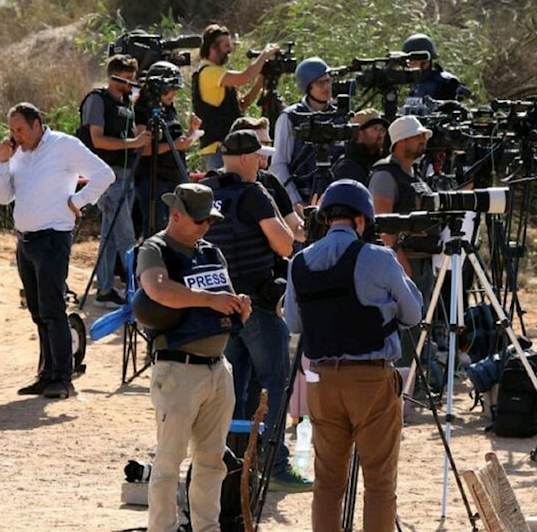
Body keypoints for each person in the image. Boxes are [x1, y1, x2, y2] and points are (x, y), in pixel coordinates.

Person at [284, 179, 423, 532]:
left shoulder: (299, 262)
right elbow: (413, 315)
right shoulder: (378, 257)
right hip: (370, 379)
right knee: (379, 481)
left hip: (321, 380)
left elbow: (294, 322)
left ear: (327, 218)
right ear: (363, 220)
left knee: (327, 483)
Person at [134, 183, 252, 532]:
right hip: (178, 367)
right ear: (176, 214)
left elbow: (225, 300)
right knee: (169, 462)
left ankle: (206, 528)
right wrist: (208, 299)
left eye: (209, 221)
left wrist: (238, 307)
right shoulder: (156, 249)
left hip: (217, 367)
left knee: (212, 461)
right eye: (200, 220)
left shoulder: (211, 252)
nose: (206, 227)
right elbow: (157, 289)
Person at [201, 129, 311, 491]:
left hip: (220, 306)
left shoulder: (209, 192)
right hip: (259, 307)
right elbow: (283, 245)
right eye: (260, 157)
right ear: (247, 158)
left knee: (234, 390)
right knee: (274, 386)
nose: (263, 163)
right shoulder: (254, 193)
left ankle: (232, 468)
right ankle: (276, 465)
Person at [0, 102, 115, 399]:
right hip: (25, 240)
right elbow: (3, 196)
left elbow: (104, 174)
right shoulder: (18, 153)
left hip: (52, 238)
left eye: (21, 129)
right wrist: (2, 162)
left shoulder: (64, 145)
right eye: (12, 130)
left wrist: (79, 201)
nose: (17, 135)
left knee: (52, 310)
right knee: (37, 311)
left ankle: (63, 377)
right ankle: (47, 373)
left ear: (37, 124)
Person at [368, 115, 444, 387]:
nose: (423, 141)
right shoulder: (385, 174)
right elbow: (382, 220)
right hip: (404, 261)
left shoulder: (415, 173)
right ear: (400, 141)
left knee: (420, 325)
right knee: (404, 326)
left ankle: (415, 383)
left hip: (423, 259)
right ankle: (400, 387)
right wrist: (397, 258)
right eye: (416, 136)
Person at [77, 54, 150, 306]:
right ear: (112, 77)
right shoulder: (98, 100)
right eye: (126, 78)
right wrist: (134, 143)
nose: (131, 83)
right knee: (125, 235)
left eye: (133, 78)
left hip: (125, 173)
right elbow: (97, 139)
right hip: (107, 174)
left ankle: (105, 288)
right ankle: (136, 291)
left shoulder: (126, 103)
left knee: (109, 235)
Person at [192, 24, 279, 171]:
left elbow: (242, 105)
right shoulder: (208, 73)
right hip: (217, 148)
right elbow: (244, 77)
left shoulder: (218, 73)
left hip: (230, 145)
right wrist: (264, 56)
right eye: (226, 45)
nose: (230, 50)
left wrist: (261, 81)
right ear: (213, 47)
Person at [133, 61, 200, 237]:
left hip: (175, 174)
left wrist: (191, 132)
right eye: (170, 89)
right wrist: (173, 146)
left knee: (180, 221)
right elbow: (143, 150)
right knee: (156, 224)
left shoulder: (169, 109)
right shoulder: (142, 111)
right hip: (154, 177)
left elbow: (177, 142)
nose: (173, 94)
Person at [271, 57, 346, 209]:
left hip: (337, 196)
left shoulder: (340, 115)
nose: (326, 87)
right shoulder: (291, 117)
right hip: (303, 196)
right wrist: (294, 200)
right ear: (307, 86)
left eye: (328, 81)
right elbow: (278, 164)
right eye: (320, 83)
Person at [230, 116, 307, 243]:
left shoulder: (271, 182)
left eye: (267, 143)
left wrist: (317, 220)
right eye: (259, 144)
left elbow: (297, 230)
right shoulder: (216, 182)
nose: (265, 151)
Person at [401, 33, 471, 103]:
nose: (410, 63)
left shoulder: (447, 83)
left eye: (414, 60)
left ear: (426, 60)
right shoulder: (412, 82)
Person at [331, 108, 388, 186]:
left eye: (382, 130)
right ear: (358, 133)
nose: (381, 134)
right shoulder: (347, 168)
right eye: (375, 128)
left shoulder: (377, 163)